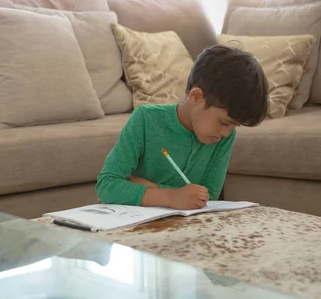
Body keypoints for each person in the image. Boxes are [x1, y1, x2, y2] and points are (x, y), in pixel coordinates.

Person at [96, 45, 269, 210]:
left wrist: (149, 187)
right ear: (196, 96)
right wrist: (171, 197)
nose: (226, 132)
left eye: (234, 125)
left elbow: (207, 198)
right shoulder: (145, 119)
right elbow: (106, 186)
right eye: (224, 122)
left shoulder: (223, 137)